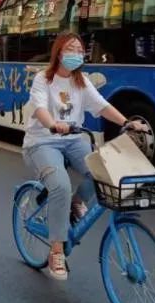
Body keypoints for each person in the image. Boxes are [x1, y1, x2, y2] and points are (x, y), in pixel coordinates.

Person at [23, 32, 148, 281]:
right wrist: (52, 124)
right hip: (42, 142)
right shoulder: (43, 79)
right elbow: (39, 108)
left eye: (80, 50)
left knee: (107, 172)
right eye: (70, 48)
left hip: (73, 140)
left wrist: (127, 122)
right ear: (59, 52)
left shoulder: (82, 81)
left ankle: (77, 201)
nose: (76, 54)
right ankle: (56, 251)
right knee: (60, 185)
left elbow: (101, 105)